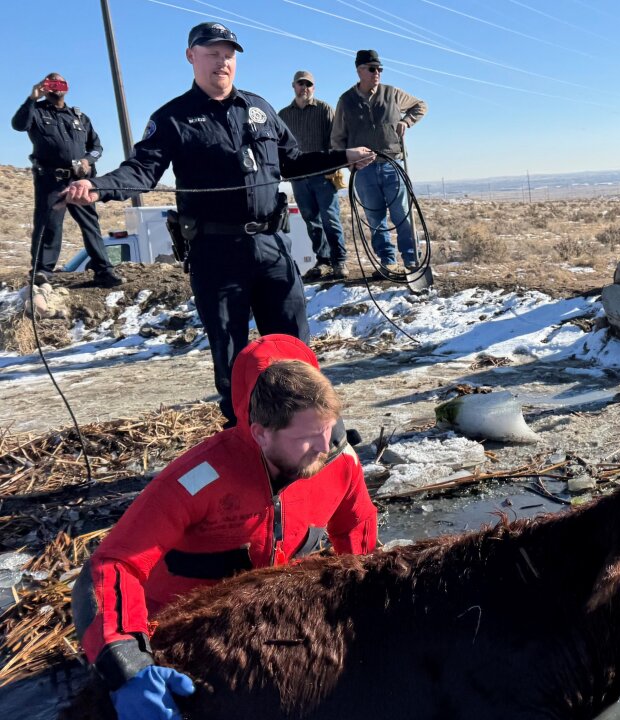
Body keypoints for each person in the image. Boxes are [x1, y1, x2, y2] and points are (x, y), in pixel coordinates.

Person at [61, 22, 374, 425]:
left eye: (228, 54)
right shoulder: (173, 117)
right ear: (191, 56)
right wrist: (99, 186)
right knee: (232, 357)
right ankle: (246, 438)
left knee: (295, 349)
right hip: (216, 254)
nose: (221, 61)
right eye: (211, 53)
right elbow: (141, 171)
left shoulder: (259, 109)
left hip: (272, 247)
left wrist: (342, 156)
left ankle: (322, 435)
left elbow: (293, 162)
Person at [71, 334, 377, 720]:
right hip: (186, 641)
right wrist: (127, 664)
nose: (323, 448)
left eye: (328, 430)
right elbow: (111, 567)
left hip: (276, 625)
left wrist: (367, 605)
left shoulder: (336, 459)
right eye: (305, 439)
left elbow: (358, 531)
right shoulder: (198, 479)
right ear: (260, 432)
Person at [11, 73, 122, 287]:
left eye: (60, 83)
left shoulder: (79, 117)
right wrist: (32, 98)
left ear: (67, 87)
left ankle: (104, 271)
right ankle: (42, 272)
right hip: (51, 180)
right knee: (49, 225)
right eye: (51, 83)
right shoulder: (36, 112)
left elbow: (97, 147)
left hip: (80, 181)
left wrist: (88, 161)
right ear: (45, 87)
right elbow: (18, 125)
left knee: (90, 225)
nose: (56, 87)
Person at [332, 49, 428, 273]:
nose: (377, 73)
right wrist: (349, 163)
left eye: (380, 69)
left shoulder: (392, 93)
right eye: (372, 69)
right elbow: (337, 137)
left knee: (402, 214)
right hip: (364, 169)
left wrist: (406, 121)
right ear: (359, 71)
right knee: (375, 218)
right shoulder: (346, 100)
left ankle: (412, 260)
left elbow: (420, 106)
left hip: (393, 164)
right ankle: (387, 261)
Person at [279, 70, 348, 282]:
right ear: (293, 86)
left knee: (330, 218)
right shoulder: (283, 116)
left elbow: (336, 140)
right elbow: (278, 146)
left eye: (308, 85)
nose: (304, 88)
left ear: (313, 88)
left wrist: (332, 167)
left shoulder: (325, 110)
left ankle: (339, 260)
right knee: (311, 220)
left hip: (323, 175)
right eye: (301, 84)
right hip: (299, 177)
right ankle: (323, 260)